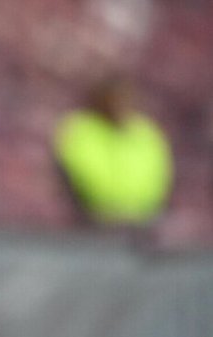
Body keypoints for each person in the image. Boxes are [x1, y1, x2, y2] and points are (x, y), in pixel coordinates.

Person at [53, 75, 174, 226]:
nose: (120, 104)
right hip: (92, 221)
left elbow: (159, 176)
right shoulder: (80, 130)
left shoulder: (146, 134)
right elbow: (84, 177)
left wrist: (138, 209)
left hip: (142, 221)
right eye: (115, 99)